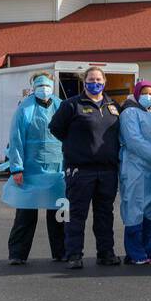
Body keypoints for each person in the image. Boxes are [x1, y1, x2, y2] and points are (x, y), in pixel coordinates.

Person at [49, 65, 122, 269]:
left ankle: (106, 253)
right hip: (81, 171)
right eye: (91, 79)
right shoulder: (71, 105)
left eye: (99, 80)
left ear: (105, 81)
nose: (95, 83)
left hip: (108, 170)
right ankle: (74, 255)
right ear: (84, 81)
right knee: (76, 215)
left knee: (105, 215)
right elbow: (56, 128)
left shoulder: (113, 106)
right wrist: (76, 146)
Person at [1, 71, 66, 264]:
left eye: (46, 85)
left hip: (57, 169)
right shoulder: (25, 108)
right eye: (39, 86)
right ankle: (17, 254)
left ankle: (61, 251)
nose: (44, 89)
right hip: (31, 170)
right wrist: (17, 168)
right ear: (33, 87)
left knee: (60, 214)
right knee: (25, 214)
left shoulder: (60, 106)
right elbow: (16, 139)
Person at [118, 80, 151, 265]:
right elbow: (133, 140)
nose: (149, 97)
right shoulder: (129, 113)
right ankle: (134, 252)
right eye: (145, 93)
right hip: (135, 168)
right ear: (137, 93)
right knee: (134, 207)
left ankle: (148, 248)